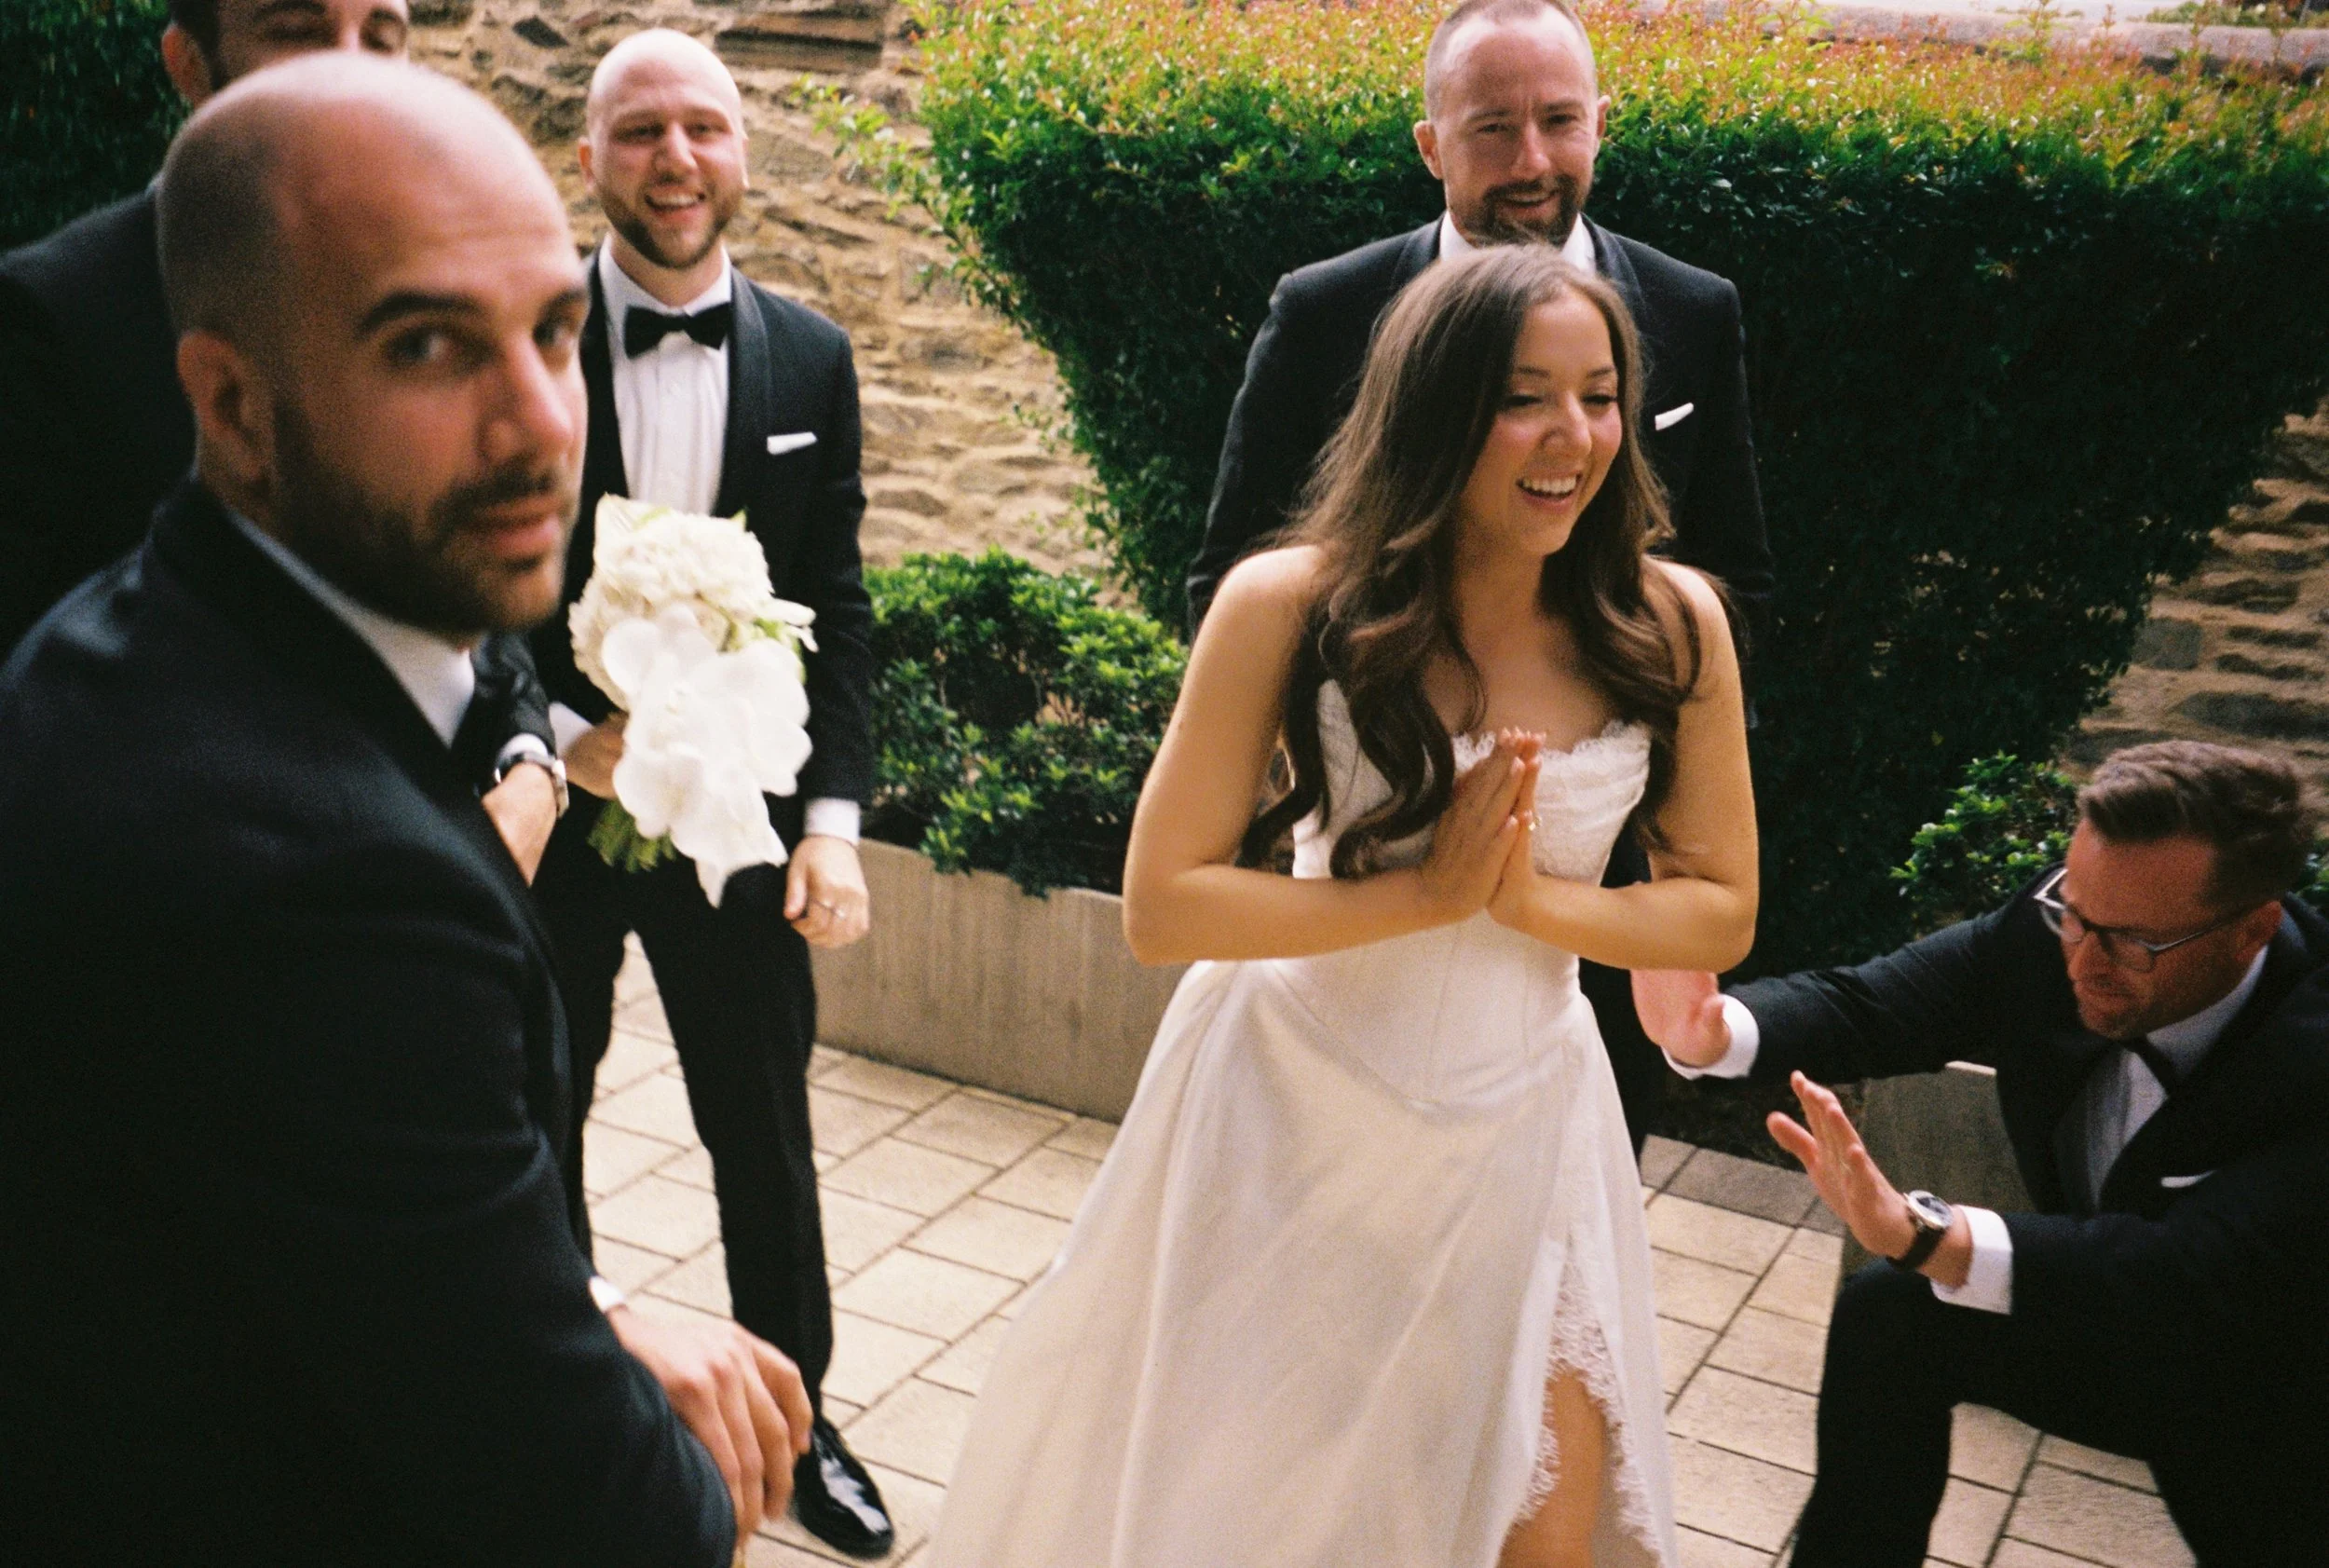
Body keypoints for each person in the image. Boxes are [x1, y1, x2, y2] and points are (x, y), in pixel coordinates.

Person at [0, 56, 813, 1565]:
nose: (535, 425)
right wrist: (662, 1435)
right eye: (429, 346)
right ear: (232, 402)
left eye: (556, 333)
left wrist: (585, 1308)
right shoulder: (350, 893)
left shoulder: (121, 634)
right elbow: (606, 1518)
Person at [931, 245, 1757, 1567]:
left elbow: (1718, 911)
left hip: (1520, 1115)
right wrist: (1424, 893)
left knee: (1543, 1529)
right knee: (1266, 1512)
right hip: (1287, 1107)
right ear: (1434, 409)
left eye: (1601, 395)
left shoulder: (1672, 625)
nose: (1574, 436)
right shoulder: (1289, 603)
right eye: (1524, 396)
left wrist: (1531, 903)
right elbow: (1162, 903)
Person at [1186, 0, 1773, 1159]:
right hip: (1346, 876)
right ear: (1430, 143)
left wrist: (1658, 836)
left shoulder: (1695, 311)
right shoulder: (1327, 311)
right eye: (1493, 128)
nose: (1533, 161)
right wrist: (1324, 777)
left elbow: (1731, 582)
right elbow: (1231, 572)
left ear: (1602, 123)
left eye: (1560, 122)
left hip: (1581, 901)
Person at [1637, 740, 2329, 1565]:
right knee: (1893, 1316)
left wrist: (1928, 1233)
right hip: (2113, 1321)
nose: (2081, 959)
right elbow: (1878, 1004)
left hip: (2274, 1380)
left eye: (2133, 943)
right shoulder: (2053, 928)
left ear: (2255, 927)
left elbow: (2186, 1269)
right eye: (2075, 911)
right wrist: (1714, 1033)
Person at [523, 30, 890, 1559]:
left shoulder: (812, 356)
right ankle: (561, 1404)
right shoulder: (521, 338)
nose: (676, 157)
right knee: (533, 1113)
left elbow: (843, 606)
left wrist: (834, 826)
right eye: (641, 130)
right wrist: (551, 731)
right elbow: (460, 580)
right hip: (555, 814)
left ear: (743, 151)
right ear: (591, 153)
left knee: (764, 1129)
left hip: (739, 822)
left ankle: (798, 1419)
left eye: (705, 127)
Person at [0, 0, 566, 877]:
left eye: (382, 37)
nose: (353, 72)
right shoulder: (48, 317)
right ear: (189, 65)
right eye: (297, 30)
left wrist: (529, 761)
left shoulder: (428, 296)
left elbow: (455, 535)